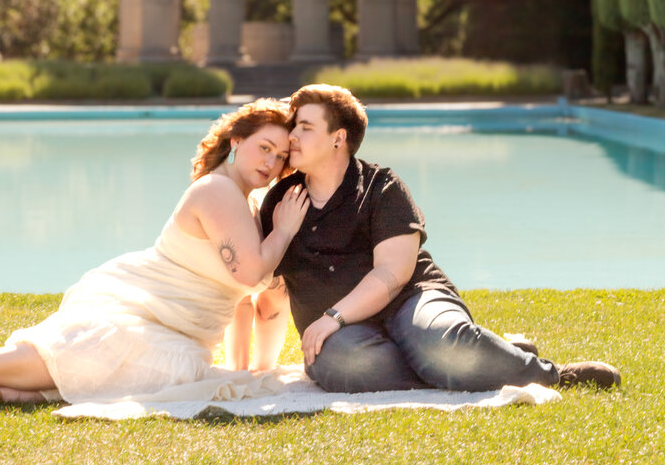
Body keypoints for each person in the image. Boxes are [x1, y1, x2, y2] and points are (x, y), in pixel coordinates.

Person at [0, 100, 309, 410]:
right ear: (237, 141)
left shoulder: (249, 201)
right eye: (264, 148)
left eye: (281, 155)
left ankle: (33, 395)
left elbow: (249, 293)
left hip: (183, 332)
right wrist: (286, 229)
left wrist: (248, 367)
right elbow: (250, 270)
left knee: (168, 374)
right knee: (90, 348)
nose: (272, 162)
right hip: (148, 305)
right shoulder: (218, 190)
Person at [260, 84, 621, 394]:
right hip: (343, 337)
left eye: (305, 127)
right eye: (294, 126)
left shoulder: (381, 186)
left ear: (338, 138)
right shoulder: (280, 202)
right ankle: (477, 356)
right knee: (349, 366)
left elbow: (392, 275)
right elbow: (262, 278)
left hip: (410, 300)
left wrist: (334, 317)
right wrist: (283, 232)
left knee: (435, 341)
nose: (291, 135)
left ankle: (549, 375)